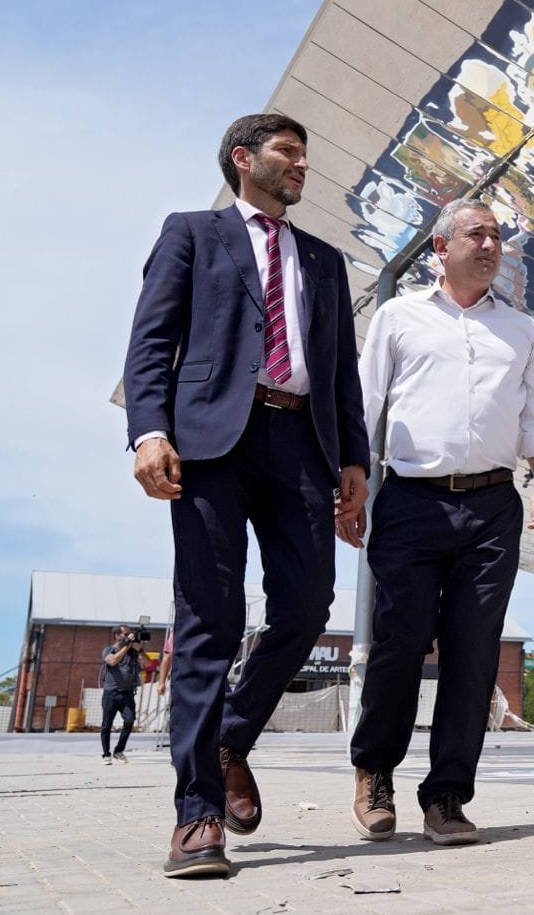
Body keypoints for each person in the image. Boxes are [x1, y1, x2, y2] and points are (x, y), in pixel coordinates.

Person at [124, 112, 370, 878]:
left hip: (302, 444)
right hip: (211, 445)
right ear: (242, 157)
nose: (301, 164)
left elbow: (341, 370)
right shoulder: (192, 233)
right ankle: (197, 816)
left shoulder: (324, 259)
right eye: (287, 151)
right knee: (210, 617)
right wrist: (149, 431)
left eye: (304, 153)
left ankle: (231, 734)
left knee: (308, 604)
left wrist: (354, 460)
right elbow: (151, 340)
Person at [348, 198, 534, 847]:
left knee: (474, 651)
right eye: (477, 234)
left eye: (496, 235)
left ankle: (446, 795)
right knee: (402, 637)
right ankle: (374, 771)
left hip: (493, 507)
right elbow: (364, 403)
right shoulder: (398, 316)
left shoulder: (521, 329)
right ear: (441, 247)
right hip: (411, 501)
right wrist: (347, 485)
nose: (490, 244)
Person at [101, 625, 147, 763]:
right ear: (117, 636)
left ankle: (119, 750)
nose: (129, 636)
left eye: (130, 634)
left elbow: (148, 663)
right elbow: (112, 661)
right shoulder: (109, 650)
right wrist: (127, 646)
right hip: (111, 693)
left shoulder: (133, 652)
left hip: (128, 694)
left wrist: (140, 650)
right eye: (126, 634)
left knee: (129, 721)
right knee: (106, 725)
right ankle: (106, 754)